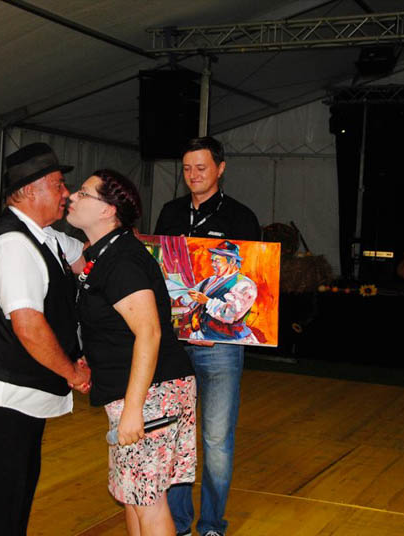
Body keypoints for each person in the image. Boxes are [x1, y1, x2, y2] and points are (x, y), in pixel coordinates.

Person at [0, 142, 91, 535]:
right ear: (30, 191)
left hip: (21, 393)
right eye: (59, 184)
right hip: (1, 396)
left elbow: (87, 255)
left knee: (15, 500)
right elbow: (29, 327)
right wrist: (72, 372)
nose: (66, 193)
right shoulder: (13, 245)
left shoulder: (44, 236)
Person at [67, 169, 196, 536]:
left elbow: (149, 332)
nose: (72, 197)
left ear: (108, 210)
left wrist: (134, 409)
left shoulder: (122, 259)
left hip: (151, 394)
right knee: (133, 495)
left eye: (83, 193)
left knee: (148, 502)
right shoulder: (105, 253)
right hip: (134, 391)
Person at [154, 136, 261, 536]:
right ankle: (179, 522)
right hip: (174, 345)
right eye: (186, 168)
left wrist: (210, 308)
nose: (193, 175)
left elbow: (253, 283)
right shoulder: (170, 213)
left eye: (201, 167)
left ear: (220, 168)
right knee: (175, 434)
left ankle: (212, 523)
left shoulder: (241, 217)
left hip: (221, 349)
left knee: (217, 438)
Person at [182, 240, 258, 344]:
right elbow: (188, 298)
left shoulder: (245, 284)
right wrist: (186, 297)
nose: (212, 264)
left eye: (217, 261)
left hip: (229, 342)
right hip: (204, 336)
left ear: (232, 262)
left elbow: (231, 314)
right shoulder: (210, 280)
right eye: (212, 260)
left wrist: (207, 301)